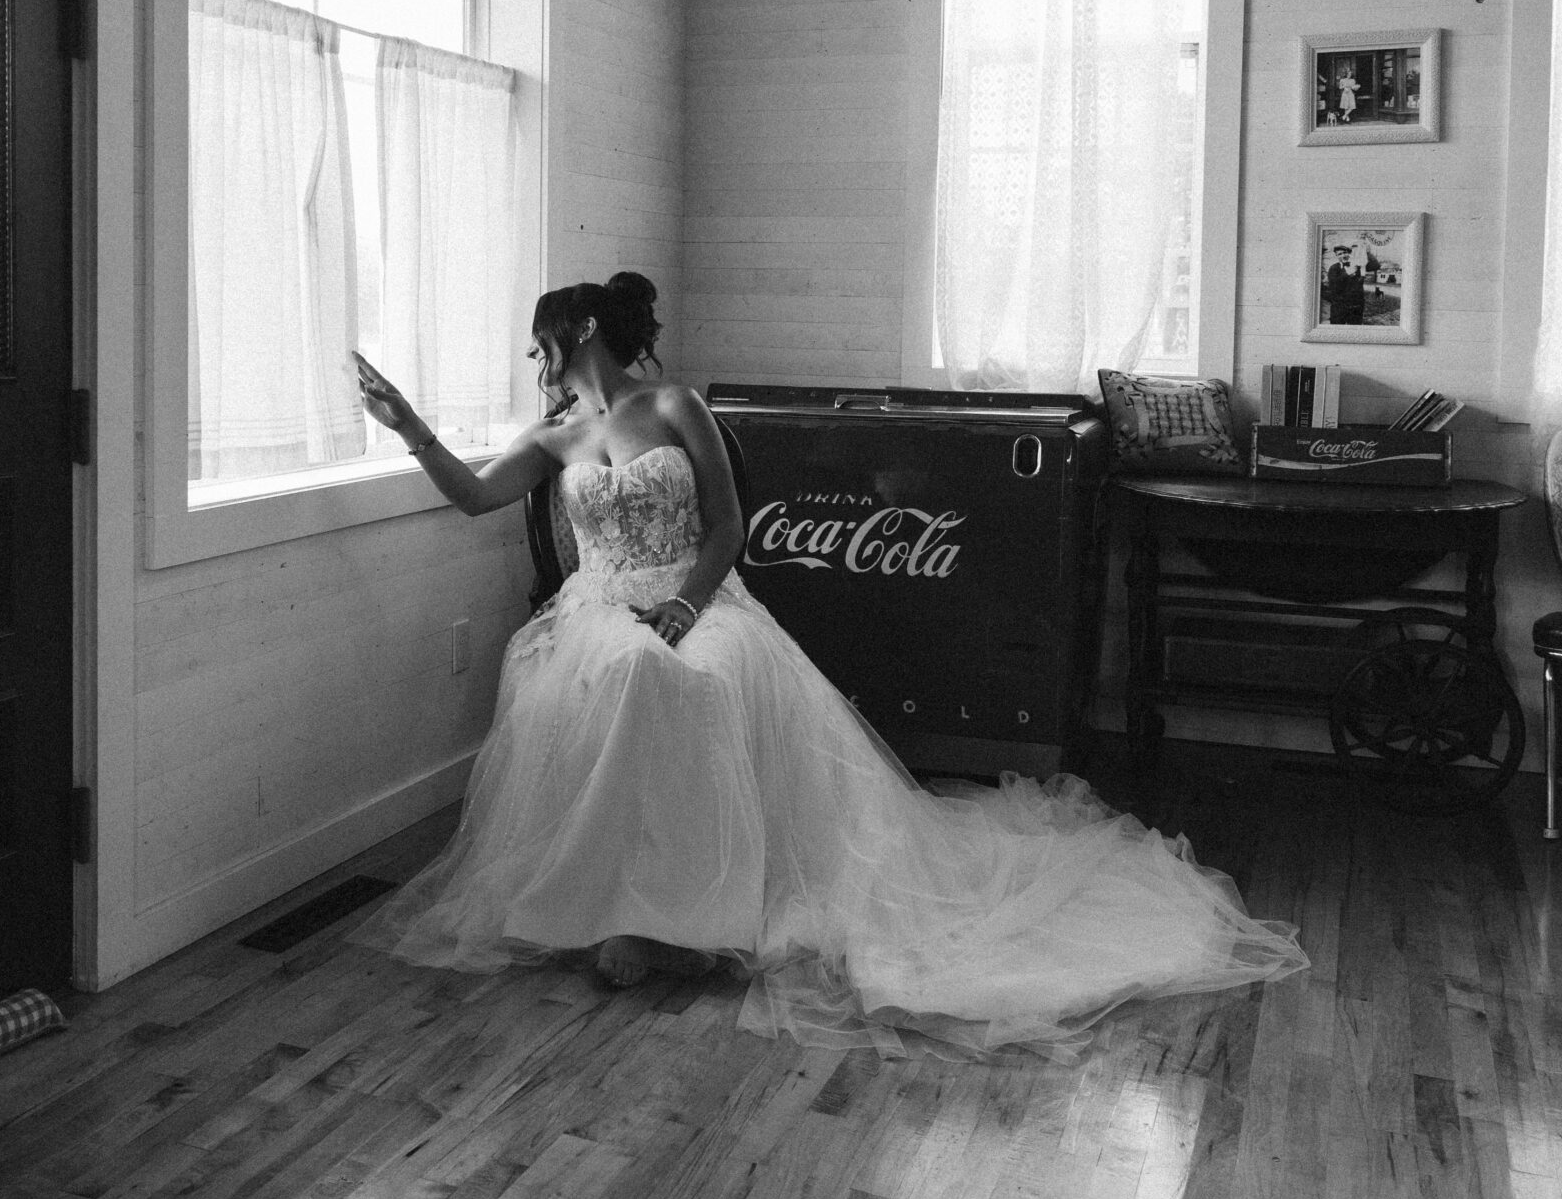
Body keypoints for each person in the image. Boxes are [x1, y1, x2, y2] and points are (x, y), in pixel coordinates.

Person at [345, 272, 1306, 1060]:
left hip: (698, 597)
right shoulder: (557, 438)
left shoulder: (676, 404)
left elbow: (728, 524)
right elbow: (473, 495)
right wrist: (407, 425)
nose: (538, 357)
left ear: (582, 327)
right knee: (632, 673)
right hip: (598, 608)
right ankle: (623, 902)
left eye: (543, 337)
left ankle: (687, 914)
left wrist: (685, 602)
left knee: (700, 673)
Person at [1322, 243, 1367, 326]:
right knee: (1336, 332)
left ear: (1349, 253)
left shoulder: (1357, 266)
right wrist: (1347, 273)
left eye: (1345, 252)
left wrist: (1365, 250)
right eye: (1340, 254)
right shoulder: (1333, 268)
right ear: (1337, 256)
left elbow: (1375, 265)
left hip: (1355, 307)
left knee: (1354, 332)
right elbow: (1334, 285)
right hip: (1339, 307)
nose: (1343, 255)